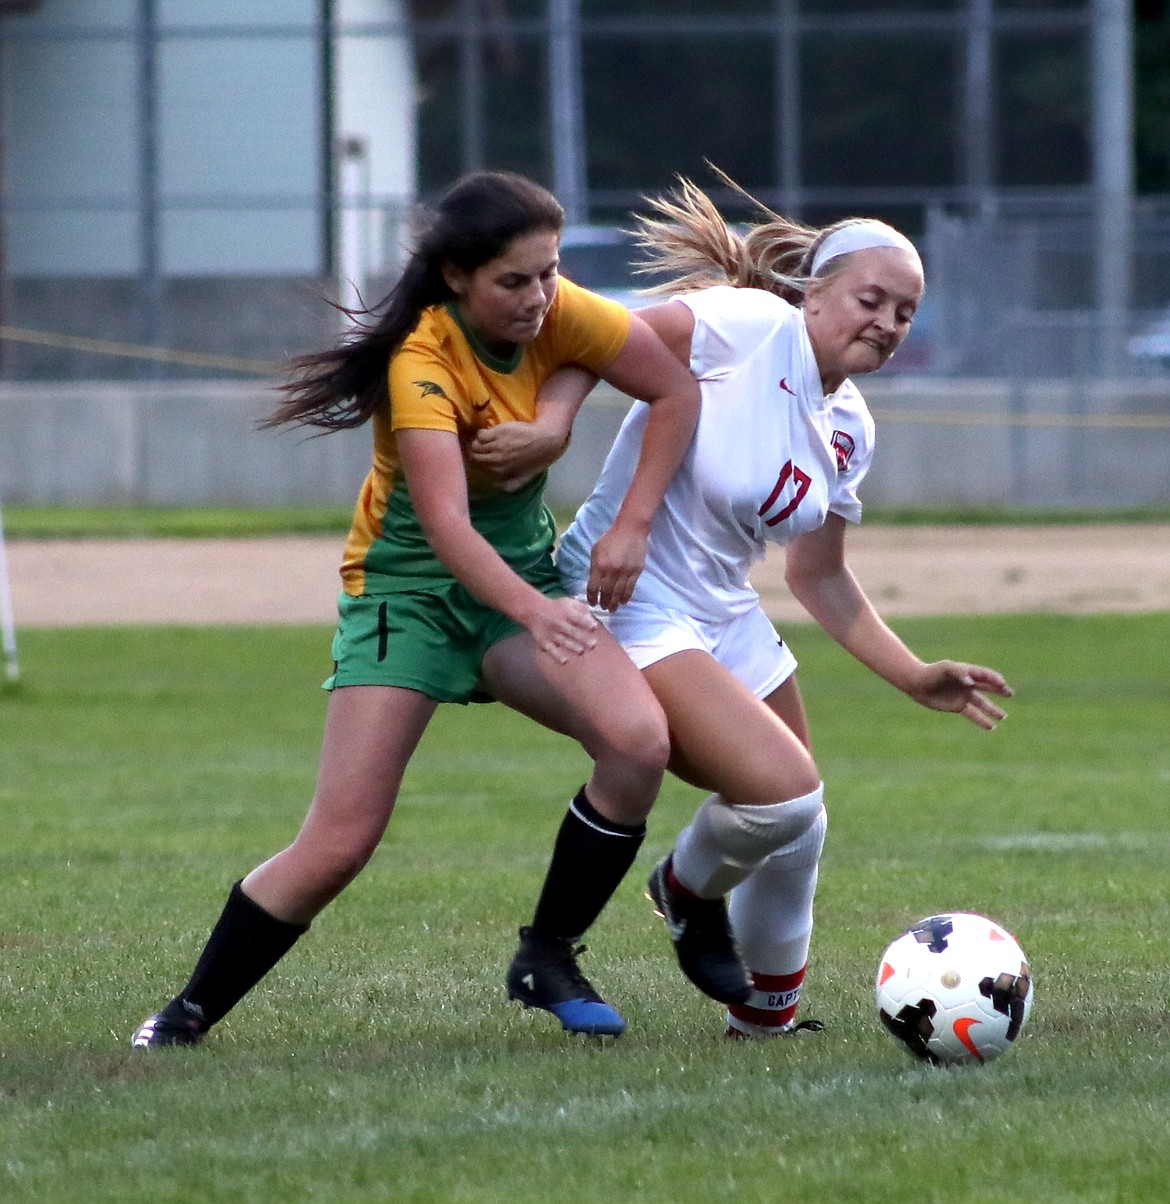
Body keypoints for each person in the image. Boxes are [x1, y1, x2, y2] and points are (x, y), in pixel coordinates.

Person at [131, 170, 701, 1047]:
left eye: (549, 272)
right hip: (408, 595)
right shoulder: (421, 360)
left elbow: (675, 390)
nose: (541, 297)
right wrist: (540, 613)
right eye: (516, 280)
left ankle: (547, 955)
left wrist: (629, 522)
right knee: (340, 842)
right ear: (456, 278)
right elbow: (444, 526)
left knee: (638, 744)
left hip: (514, 592)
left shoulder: (557, 309)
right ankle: (184, 1015)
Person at [477, 172, 1014, 1037]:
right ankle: (683, 892)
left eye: (904, 313)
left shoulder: (852, 428)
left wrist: (913, 675)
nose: (885, 322)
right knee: (782, 797)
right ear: (814, 292)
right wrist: (552, 427)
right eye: (870, 299)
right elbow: (588, 339)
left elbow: (820, 577)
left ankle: (766, 1020)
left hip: (721, 610)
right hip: (629, 594)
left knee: (801, 821)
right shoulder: (747, 325)